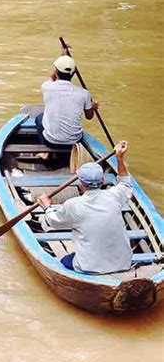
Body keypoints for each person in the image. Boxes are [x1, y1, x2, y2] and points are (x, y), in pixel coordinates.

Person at [38, 141, 133, 274]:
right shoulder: (114, 195)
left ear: (81, 185)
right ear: (103, 181)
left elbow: (54, 221)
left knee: (65, 261)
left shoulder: (74, 205)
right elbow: (125, 182)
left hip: (90, 267)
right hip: (124, 263)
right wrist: (119, 158)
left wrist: (47, 207)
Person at [35, 55, 98, 149]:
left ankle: (45, 152)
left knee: (39, 118)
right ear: (73, 74)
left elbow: (52, 77)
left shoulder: (47, 87)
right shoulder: (84, 93)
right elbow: (89, 116)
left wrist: (62, 58)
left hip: (50, 142)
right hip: (74, 142)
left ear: (56, 72)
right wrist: (93, 107)